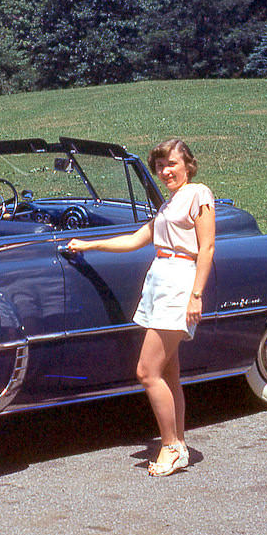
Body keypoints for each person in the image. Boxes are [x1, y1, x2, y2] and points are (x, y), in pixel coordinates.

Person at [68, 138, 215, 477]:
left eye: (172, 165)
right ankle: (179, 444)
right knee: (168, 374)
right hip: (160, 283)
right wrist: (88, 244)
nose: (166, 172)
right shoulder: (168, 204)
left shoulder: (198, 195)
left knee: (147, 372)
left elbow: (206, 248)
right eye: (161, 167)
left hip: (179, 284)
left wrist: (197, 294)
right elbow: (136, 240)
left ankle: (169, 446)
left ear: (188, 165)